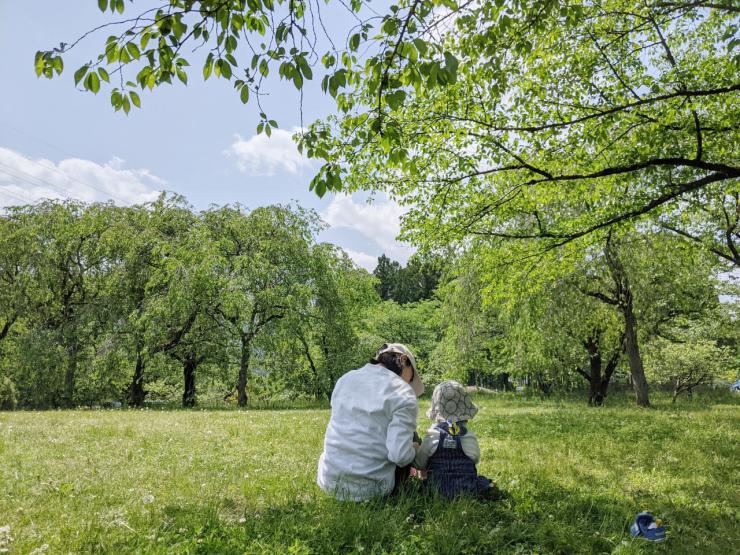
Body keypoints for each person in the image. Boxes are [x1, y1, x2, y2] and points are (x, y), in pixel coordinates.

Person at [317, 343, 424, 501]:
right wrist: (415, 449)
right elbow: (400, 456)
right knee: (413, 439)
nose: (409, 382)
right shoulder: (402, 392)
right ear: (403, 360)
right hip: (373, 489)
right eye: (411, 376)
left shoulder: (345, 379)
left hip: (330, 482)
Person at [414, 380, 499, 500]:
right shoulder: (468, 436)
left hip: (436, 490)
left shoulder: (432, 435)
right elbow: (475, 458)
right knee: (482, 482)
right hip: (466, 489)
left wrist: (417, 448)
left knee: (424, 481)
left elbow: (419, 463)